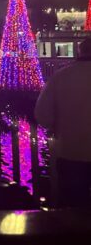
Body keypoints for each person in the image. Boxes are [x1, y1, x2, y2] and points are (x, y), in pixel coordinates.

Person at [35, 37, 91, 207]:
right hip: (71, 153)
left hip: (70, 151)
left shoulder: (61, 76)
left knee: (72, 208)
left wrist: (56, 126)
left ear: (79, 51)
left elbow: (42, 114)